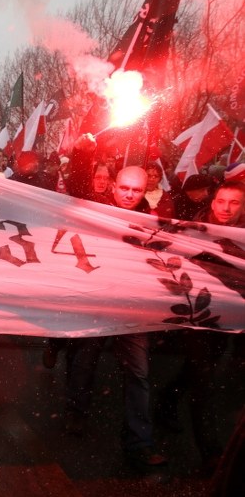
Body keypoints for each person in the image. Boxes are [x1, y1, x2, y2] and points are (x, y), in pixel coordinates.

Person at [63, 164, 168, 470]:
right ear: (113, 186)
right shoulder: (97, 212)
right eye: (124, 188)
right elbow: (76, 189)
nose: (129, 195)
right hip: (99, 301)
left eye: (136, 190)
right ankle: (76, 412)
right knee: (85, 360)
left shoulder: (153, 222)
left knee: (138, 373)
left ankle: (139, 442)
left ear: (145, 190)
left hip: (134, 308)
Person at [156, 180, 245, 474]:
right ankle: (210, 452)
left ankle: (166, 401)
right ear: (213, 201)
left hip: (232, 317)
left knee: (196, 371)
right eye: (221, 201)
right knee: (203, 380)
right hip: (200, 315)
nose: (226, 208)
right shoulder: (195, 232)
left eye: (234, 202)